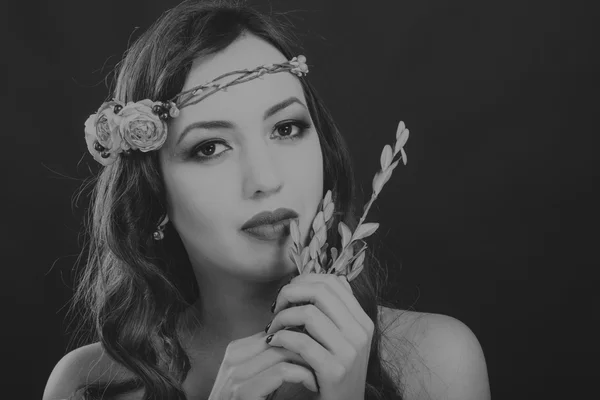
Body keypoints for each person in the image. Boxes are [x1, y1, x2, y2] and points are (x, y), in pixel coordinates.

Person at [43, 1, 491, 399]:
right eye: (210, 147)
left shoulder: (435, 364)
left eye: (286, 128)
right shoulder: (88, 386)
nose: (265, 178)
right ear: (153, 192)